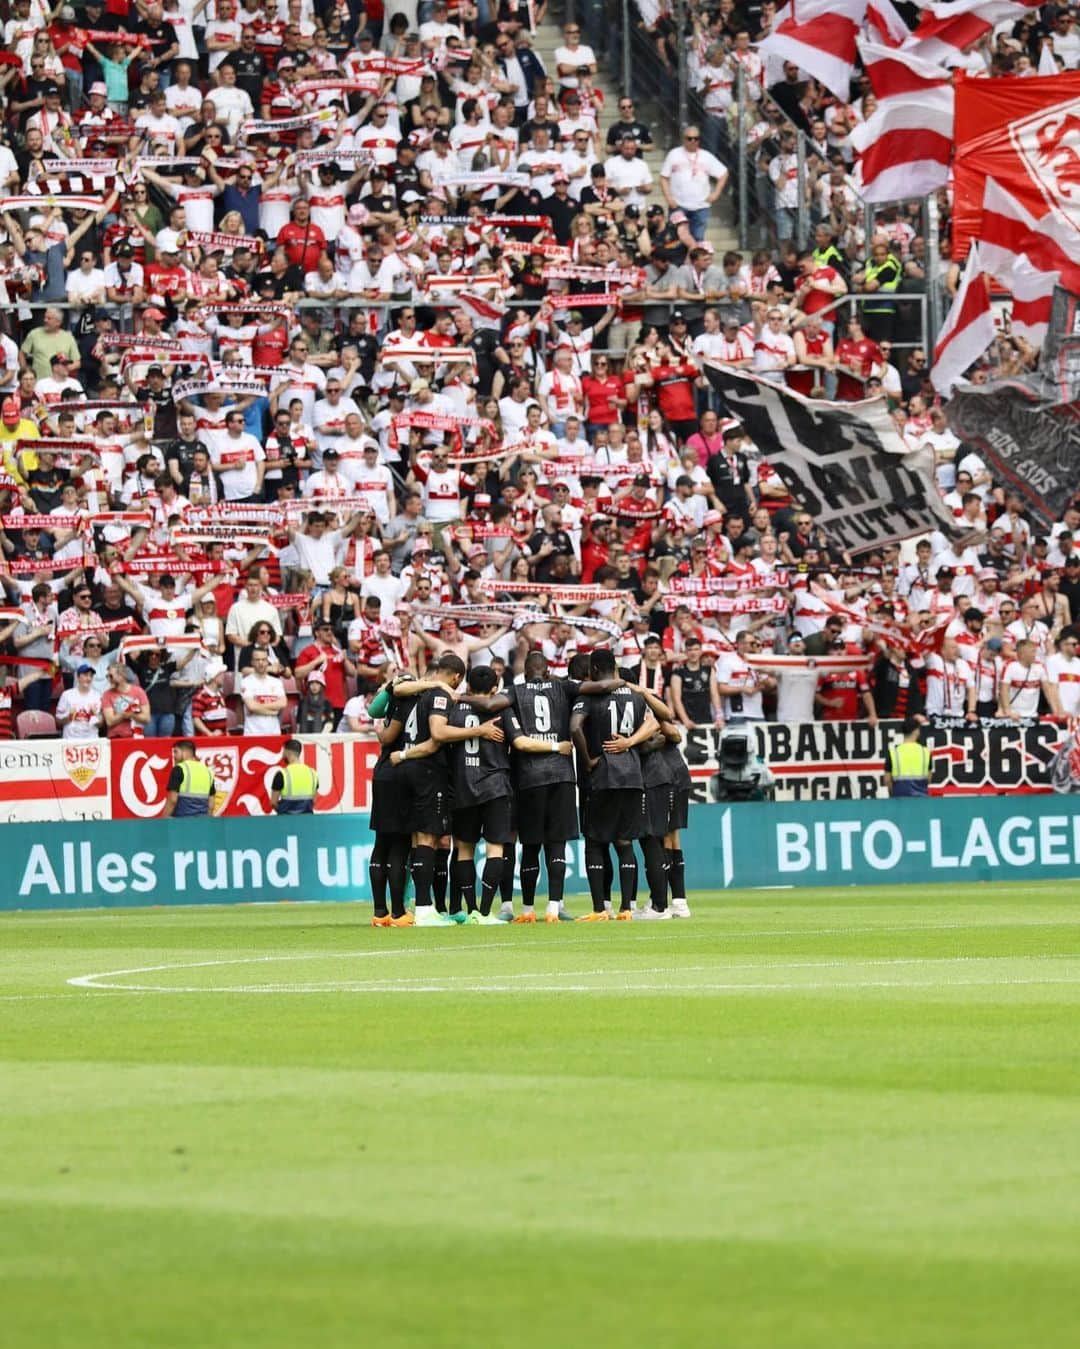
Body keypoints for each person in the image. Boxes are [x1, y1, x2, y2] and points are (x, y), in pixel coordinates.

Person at [571, 648, 659, 920]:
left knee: (595, 842)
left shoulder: (590, 695)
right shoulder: (634, 695)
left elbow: (575, 727)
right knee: (624, 842)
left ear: (594, 670)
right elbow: (653, 723)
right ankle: (626, 909)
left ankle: (600, 909)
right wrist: (631, 743)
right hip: (633, 775)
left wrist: (587, 760)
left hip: (604, 774)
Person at [160, 739, 215, 818]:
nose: (173, 756)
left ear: (185, 753)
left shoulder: (179, 769)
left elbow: (172, 800)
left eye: (176, 752)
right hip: (202, 822)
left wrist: (163, 820)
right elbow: (211, 805)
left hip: (182, 822)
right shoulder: (208, 772)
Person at [884, 719, 932, 797]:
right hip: (921, 801)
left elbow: (887, 780)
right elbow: (929, 779)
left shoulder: (893, 752)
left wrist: (893, 794)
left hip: (899, 801)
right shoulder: (925, 752)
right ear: (916, 731)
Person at [270, 739, 319, 814]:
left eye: (283, 752)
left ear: (287, 752)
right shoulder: (313, 773)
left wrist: (283, 812)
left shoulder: (282, 774)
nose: (282, 755)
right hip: (308, 821)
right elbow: (314, 800)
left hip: (286, 822)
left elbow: (273, 803)